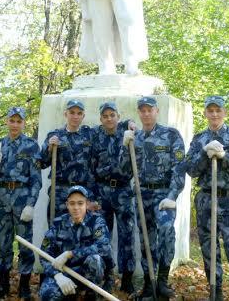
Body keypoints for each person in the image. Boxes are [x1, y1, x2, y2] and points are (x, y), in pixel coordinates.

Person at [185, 96, 229, 301]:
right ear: (205, 113)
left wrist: (225, 156)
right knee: (209, 250)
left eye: (218, 110)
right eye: (210, 110)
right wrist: (204, 155)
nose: (214, 114)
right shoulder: (199, 139)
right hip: (206, 200)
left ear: (225, 113)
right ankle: (215, 293)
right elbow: (190, 169)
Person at [122, 96, 186, 299]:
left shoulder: (171, 135)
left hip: (164, 196)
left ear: (156, 111)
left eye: (150, 110)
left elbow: (179, 168)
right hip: (142, 195)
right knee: (145, 240)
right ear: (139, 113)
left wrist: (173, 195)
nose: (146, 113)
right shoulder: (136, 138)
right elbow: (125, 170)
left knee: (166, 232)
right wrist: (126, 146)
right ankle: (150, 283)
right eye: (142, 110)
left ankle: (163, 281)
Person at [0, 107, 42, 301]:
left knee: (25, 245)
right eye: (12, 120)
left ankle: (24, 287)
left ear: (24, 123)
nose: (15, 124)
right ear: (7, 122)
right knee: (3, 244)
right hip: (2, 197)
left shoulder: (31, 146)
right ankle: (3, 285)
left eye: (19, 121)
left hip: (22, 197)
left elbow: (36, 179)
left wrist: (31, 204)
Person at [90, 101, 137, 294]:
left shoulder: (126, 130)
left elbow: (132, 124)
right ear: (101, 119)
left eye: (112, 115)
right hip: (102, 192)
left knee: (127, 235)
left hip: (124, 191)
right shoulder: (95, 135)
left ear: (118, 116)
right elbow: (91, 169)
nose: (109, 119)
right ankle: (107, 276)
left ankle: (127, 278)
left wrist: (132, 123)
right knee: (103, 236)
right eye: (105, 116)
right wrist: (92, 197)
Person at [39, 185, 112, 301]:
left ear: (87, 205)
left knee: (95, 260)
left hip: (87, 272)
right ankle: (71, 293)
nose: (76, 207)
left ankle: (91, 295)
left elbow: (104, 247)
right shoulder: (58, 224)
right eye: (72, 203)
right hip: (66, 271)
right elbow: (44, 255)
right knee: (47, 295)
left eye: (80, 203)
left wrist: (70, 253)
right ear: (67, 205)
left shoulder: (96, 221)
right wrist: (57, 276)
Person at [39, 99, 96, 219]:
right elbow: (42, 163)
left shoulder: (90, 134)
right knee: (57, 229)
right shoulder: (55, 135)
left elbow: (109, 126)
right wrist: (49, 148)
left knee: (82, 231)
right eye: (72, 112)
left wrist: (129, 123)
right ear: (66, 114)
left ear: (83, 116)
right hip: (60, 191)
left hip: (83, 192)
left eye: (79, 113)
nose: (75, 116)